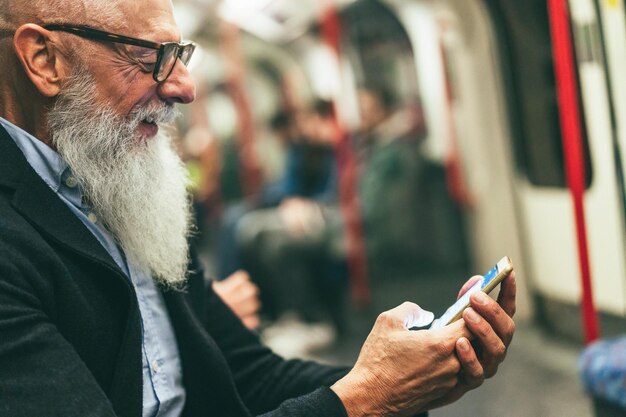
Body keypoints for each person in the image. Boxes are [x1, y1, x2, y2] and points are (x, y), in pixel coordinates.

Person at [0, 1, 517, 417]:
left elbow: (249, 376)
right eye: (151, 56)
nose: (185, 86)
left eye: (181, 55)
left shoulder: (116, 191)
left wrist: (410, 381)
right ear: (46, 61)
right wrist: (367, 396)